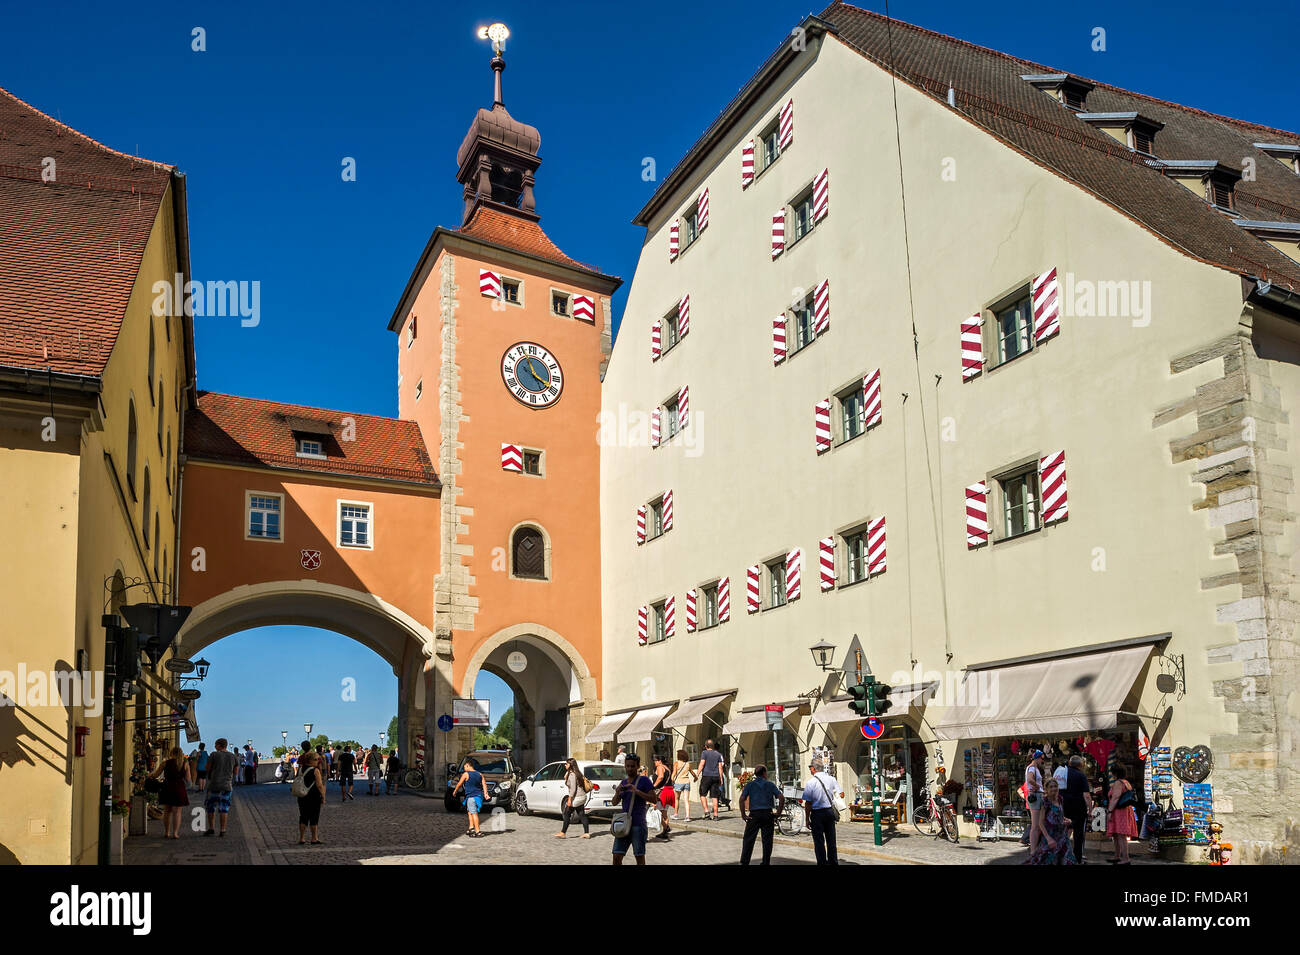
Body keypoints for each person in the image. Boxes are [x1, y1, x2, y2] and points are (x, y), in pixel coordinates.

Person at [611, 753, 656, 865]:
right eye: (628, 766)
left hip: (638, 825)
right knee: (616, 856)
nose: (630, 768)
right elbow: (614, 802)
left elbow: (654, 799)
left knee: (639, 857)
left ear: (637, 766)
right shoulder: (624, 782)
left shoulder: (644, 781)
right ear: (625, 766)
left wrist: (637, 791)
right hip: (624, 824)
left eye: (632, 766)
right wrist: (617, 793)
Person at [739, 764, 784, 865]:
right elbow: (781, 797)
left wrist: (743, 814)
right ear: (764, 773)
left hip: (754, 814)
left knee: (749, 839)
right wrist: (778, 813)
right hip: (768, 814)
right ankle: (765, 861)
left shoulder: (750, 785)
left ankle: (744, 861)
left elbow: (742, 799)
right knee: (767, 840)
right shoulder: (770, 784)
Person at [1026, 777, 1077, 865]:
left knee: (1068, 859)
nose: (1054, 788)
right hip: (1050, 836)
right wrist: (1048, 839)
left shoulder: (1060, 799)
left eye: (1055, 786)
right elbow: (1040, 822)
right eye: (1051, 787)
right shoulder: (1045, 801)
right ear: (1046, 789)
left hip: (1062, 836)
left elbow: (1060, 815)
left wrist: (1066, 820)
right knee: (1047, 860)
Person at [801, 757, 841, 865]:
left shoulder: (811, 782)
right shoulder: (831, 779)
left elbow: (808, 803)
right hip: (829, 812)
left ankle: (822, 862)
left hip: (817, 814)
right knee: (831, 840)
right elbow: (841, 793)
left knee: (819, 841)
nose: (810, 770)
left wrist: (807, 819)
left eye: (810, 768)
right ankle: (833, 862)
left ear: (814, 769)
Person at [151, 746, 191, 839]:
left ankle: (167, 832)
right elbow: (188, 779)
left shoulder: (165, 763)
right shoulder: (185, 763)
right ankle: (175, 833)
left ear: (171, 753)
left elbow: (156, 775)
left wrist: (150, 775)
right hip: (179, 788)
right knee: (177, 812)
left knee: (167, 811)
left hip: (167, 787)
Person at [203, 738, 239, 837]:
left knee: (211, 807)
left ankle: (211, 828)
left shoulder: (214, 755)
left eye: (215, 745)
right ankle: (222, 830)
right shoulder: (233, 756)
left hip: (214, 785)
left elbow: (207, 768)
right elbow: (236, 772)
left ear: (219, 745)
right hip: (227, 786)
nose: (214, 747)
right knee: (224, 808)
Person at [1061, 755, 1093, 864]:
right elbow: (1086, 795)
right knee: (1078, 834)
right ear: (1080, 765)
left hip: (1064, 806)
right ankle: (1077, 858)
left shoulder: (1063, 773)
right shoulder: (1081, 775)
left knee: (1064, 831)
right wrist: (1090, 809)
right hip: (1078, 808)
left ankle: (1062, 855)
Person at [1106, 763, 1138, 864]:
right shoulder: (1126, 782)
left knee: (1120, 835)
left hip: (1119, 811)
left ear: (1115, 773)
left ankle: (1125, 858)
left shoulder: (1118, 783)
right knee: (1117, 834)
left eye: (1112, 772)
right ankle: (1117, 856)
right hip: (1126, 810)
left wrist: (1109, 811)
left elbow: (1115, 797)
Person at [555, 757, 592, 838]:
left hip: (576, 798)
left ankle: (563, 833)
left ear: (570, 765)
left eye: (566, 764)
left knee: (566, 814)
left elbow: (573, 789)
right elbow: (567, 779)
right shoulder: (577, 772)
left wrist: (569, 800)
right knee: (581, 814)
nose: (565, 765)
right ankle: (586, 833)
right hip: (582, 796)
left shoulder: (572, 774)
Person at [296, 751, 325, 845]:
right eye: (316, 759)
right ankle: (314, 838)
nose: (317, 761)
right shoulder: (315, 770)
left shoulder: (300, 769)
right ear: (311, 760)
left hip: (302, 795)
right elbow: (319, 785)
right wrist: (323, 796)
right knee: (314, 817)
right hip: (313, 796)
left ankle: (302, 838)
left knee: (303, 816)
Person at [452, 759, 486, 837]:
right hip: (478, 796)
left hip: (471, 796)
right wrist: (486, 794)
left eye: (464, 767)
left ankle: (477, 831)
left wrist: (455, 791)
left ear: (468, 765)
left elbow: (459, 783)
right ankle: (471, 828)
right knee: (470, 811)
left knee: (474, 813)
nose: (464, 768)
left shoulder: (466, 774)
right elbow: (484, 784)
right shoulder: (480, 774)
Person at [1024, 750, 1047, 856]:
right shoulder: (1032, 768)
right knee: (1035, 826)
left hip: (1037, 796)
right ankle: (1033, 850)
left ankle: (1035, 849)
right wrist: (1037, 787)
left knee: (1038, 825)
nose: (1042, 760)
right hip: (1036, 796)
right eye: (1041, 758)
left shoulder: (1034, 768)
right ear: (1037, 758)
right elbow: (1029, 779)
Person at [697, 739, 726, 820]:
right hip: (716, 776)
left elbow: (702, 764)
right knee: (714, 796)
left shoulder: (704, 753)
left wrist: (697, 774)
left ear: (706, 746)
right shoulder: (718, 754)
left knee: (702, 794)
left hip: (706, 776)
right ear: (713, 746)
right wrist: (721, 779)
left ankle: (706, 812)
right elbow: (720, 767)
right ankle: (716, 815)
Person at [650, 754, 673, 839]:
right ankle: (664, 832)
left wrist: (653, 786)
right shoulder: (667, 768)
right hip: (668, 791)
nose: (654, 762)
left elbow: (660, 777)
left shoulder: (659, 767)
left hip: (662, 793)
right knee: (664, 813)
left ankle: (666, 828)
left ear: (659, 761)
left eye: (655, 761)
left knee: (657, 812)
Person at [670, 749, 697, 821]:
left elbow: (674, 773)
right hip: (686, 782)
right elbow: (692, 773)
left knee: (677, 799)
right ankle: (687, 816)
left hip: (678, 782)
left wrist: (672, 779)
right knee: (686, 800)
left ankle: (676, 814)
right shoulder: (687, 764)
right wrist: (695, 778)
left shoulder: (676, 763)